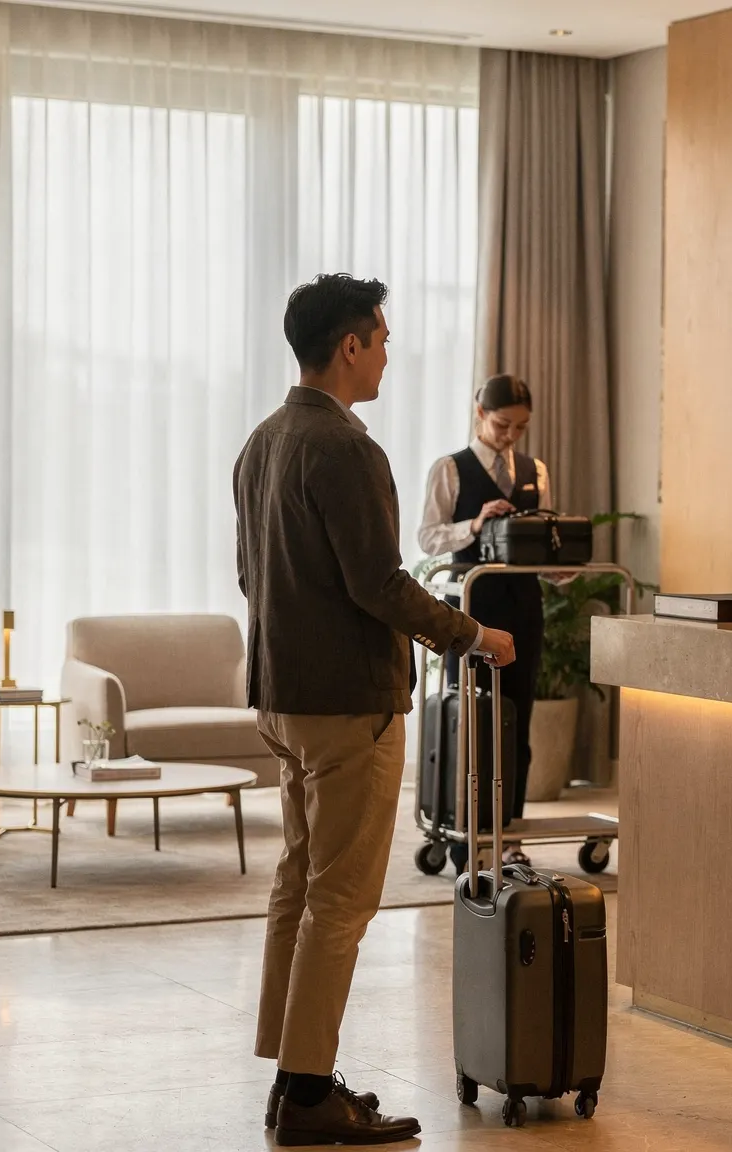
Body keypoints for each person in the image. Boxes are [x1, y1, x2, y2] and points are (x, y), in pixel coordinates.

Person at [235, 273, 515, 1146]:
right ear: (349, 345)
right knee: (341, 900)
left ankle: (291, 1076)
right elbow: (379, 584)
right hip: (348, 705)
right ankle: (311, 1093)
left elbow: (252, 576)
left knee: (298, 883)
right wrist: (472, 634)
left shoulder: (263, 441)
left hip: (281, 700)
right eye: (382, 338)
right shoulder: (346, 449)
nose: (390, 351)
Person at [417, 374, 548, 845]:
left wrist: (559, 567)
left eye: (520, 427)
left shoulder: (536, 470)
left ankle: (507, 832)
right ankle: (463, 831)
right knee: (470, 716)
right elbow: (429, 537)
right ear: (480, 414)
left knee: (519, 716)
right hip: (471, 605)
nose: (511, 436)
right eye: (501, 425)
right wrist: (474, 524)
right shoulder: (450, 469)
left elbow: (539, 544)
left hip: (524, 604)